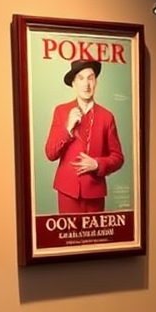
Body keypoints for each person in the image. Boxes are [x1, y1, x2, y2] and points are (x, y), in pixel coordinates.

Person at [45, 58, 124, 213]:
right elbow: (50, 153)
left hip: (95, 193)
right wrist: (68, 127)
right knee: (68, 236)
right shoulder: (61, 111)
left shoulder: (107, 117)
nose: (86, 84)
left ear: (96, 82)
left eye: (90, 77)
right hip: (67, 191)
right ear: (73, 84)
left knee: (96, 237)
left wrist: (97, 164)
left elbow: (118, 157)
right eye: (80, 78)